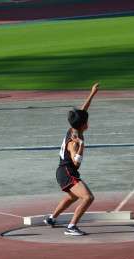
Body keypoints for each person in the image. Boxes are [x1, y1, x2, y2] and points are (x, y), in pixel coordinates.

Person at [44, 82, 101, 236]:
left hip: (63, 171)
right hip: (67, 172)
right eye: (87, 121)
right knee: (88, 197)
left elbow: (83, 111)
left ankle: (52, 219)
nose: (88, 122)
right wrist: (81, 144)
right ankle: (71, 227)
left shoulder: (75, 127)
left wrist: (92, 93)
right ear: (83, 124)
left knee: (73, 197)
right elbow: (77, 162)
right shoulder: (74, 141)